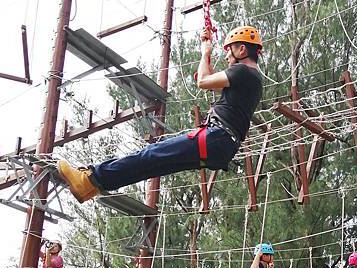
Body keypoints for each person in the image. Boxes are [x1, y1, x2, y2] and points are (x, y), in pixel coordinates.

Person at [56, 25, 264, 203]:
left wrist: (205, 52)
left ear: (242, 49)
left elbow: (203, 81)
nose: (227, 55)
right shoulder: (252, 80)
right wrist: (206, 52)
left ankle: (90, 179)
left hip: (216, 137)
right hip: (223, 145)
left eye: (229, 50)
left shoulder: (242, 72)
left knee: (151, 155)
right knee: (153, 164)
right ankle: (92, 186)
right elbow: (209, 80)